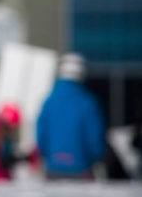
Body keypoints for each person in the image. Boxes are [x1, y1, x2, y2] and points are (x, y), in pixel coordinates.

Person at [36, 52, 105, 180]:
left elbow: (41, 135)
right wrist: (93, 158)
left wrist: (49, 156)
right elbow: (94, 138)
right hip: (81, 169)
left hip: (53, 169)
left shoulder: (49, 101)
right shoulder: (87, 103)